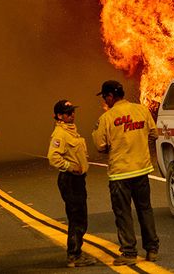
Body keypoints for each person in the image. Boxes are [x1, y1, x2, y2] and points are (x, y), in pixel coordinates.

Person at [92, 80, 160, 266]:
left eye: (105, 97)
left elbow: (100, 145)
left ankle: (129, 253)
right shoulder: (142, 110)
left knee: (123, 213)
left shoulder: (106, 118)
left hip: (120, 174)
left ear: (111, 96)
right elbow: (154, 134)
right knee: (145, 209)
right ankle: (152, 250)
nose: (105, 101)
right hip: (141, 170)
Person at [47, 99, 97, 268]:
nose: (72, 115)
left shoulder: (70, 132)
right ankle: (74, 256)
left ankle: (76, 253)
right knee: (77, 217)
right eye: (68, 113)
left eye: (73, 111)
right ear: (59, 116)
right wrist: (70, 167)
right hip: (70, 180)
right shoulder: (60, 134)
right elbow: (53, 157)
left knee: (79, 216)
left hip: (77, 180)